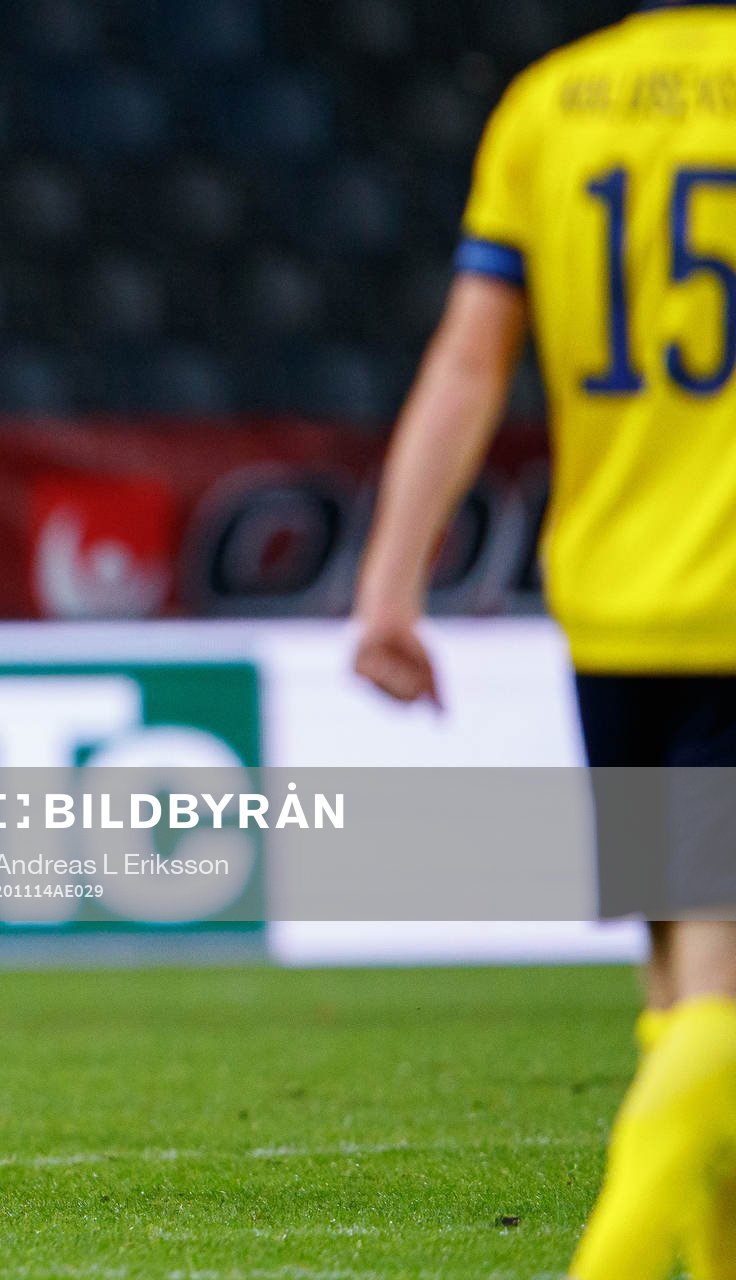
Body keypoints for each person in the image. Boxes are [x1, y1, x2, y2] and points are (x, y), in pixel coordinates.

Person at [351, 5, 736, 1276]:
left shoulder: (552, 105)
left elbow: (471, 364)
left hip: (616, 607)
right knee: (723, 1012)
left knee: (683, 992)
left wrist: (390, 580)